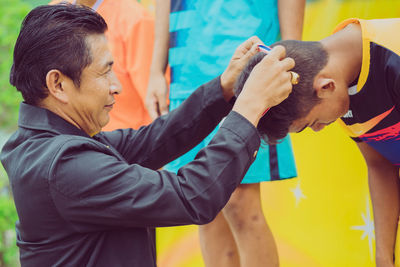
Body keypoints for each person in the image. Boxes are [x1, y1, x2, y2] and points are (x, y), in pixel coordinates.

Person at [0, 4, 296, 267]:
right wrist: (249, 108)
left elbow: (153, 141)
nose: (116, 86)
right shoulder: (64, 165)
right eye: (104, 73)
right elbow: (192, 196)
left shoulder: (45, 143)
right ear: (58, 84)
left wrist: (224, 88)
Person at [146, 0, 305, 266]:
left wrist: (292, 56)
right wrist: (155, 70)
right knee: (202, 202)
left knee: (240, 203)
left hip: (249, 54)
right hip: (187, 64)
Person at [236, 18, 400, 267]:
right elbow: (380, 165)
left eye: (310, 124)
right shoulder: (342, 80)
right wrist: (384, 259)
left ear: (325, 87)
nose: (319, 128)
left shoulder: (392, 53)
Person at [50, 0, 155, 130]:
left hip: (123, 140)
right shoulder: (53, 14)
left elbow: (154, 100)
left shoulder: (136, 19)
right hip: (66, 137)